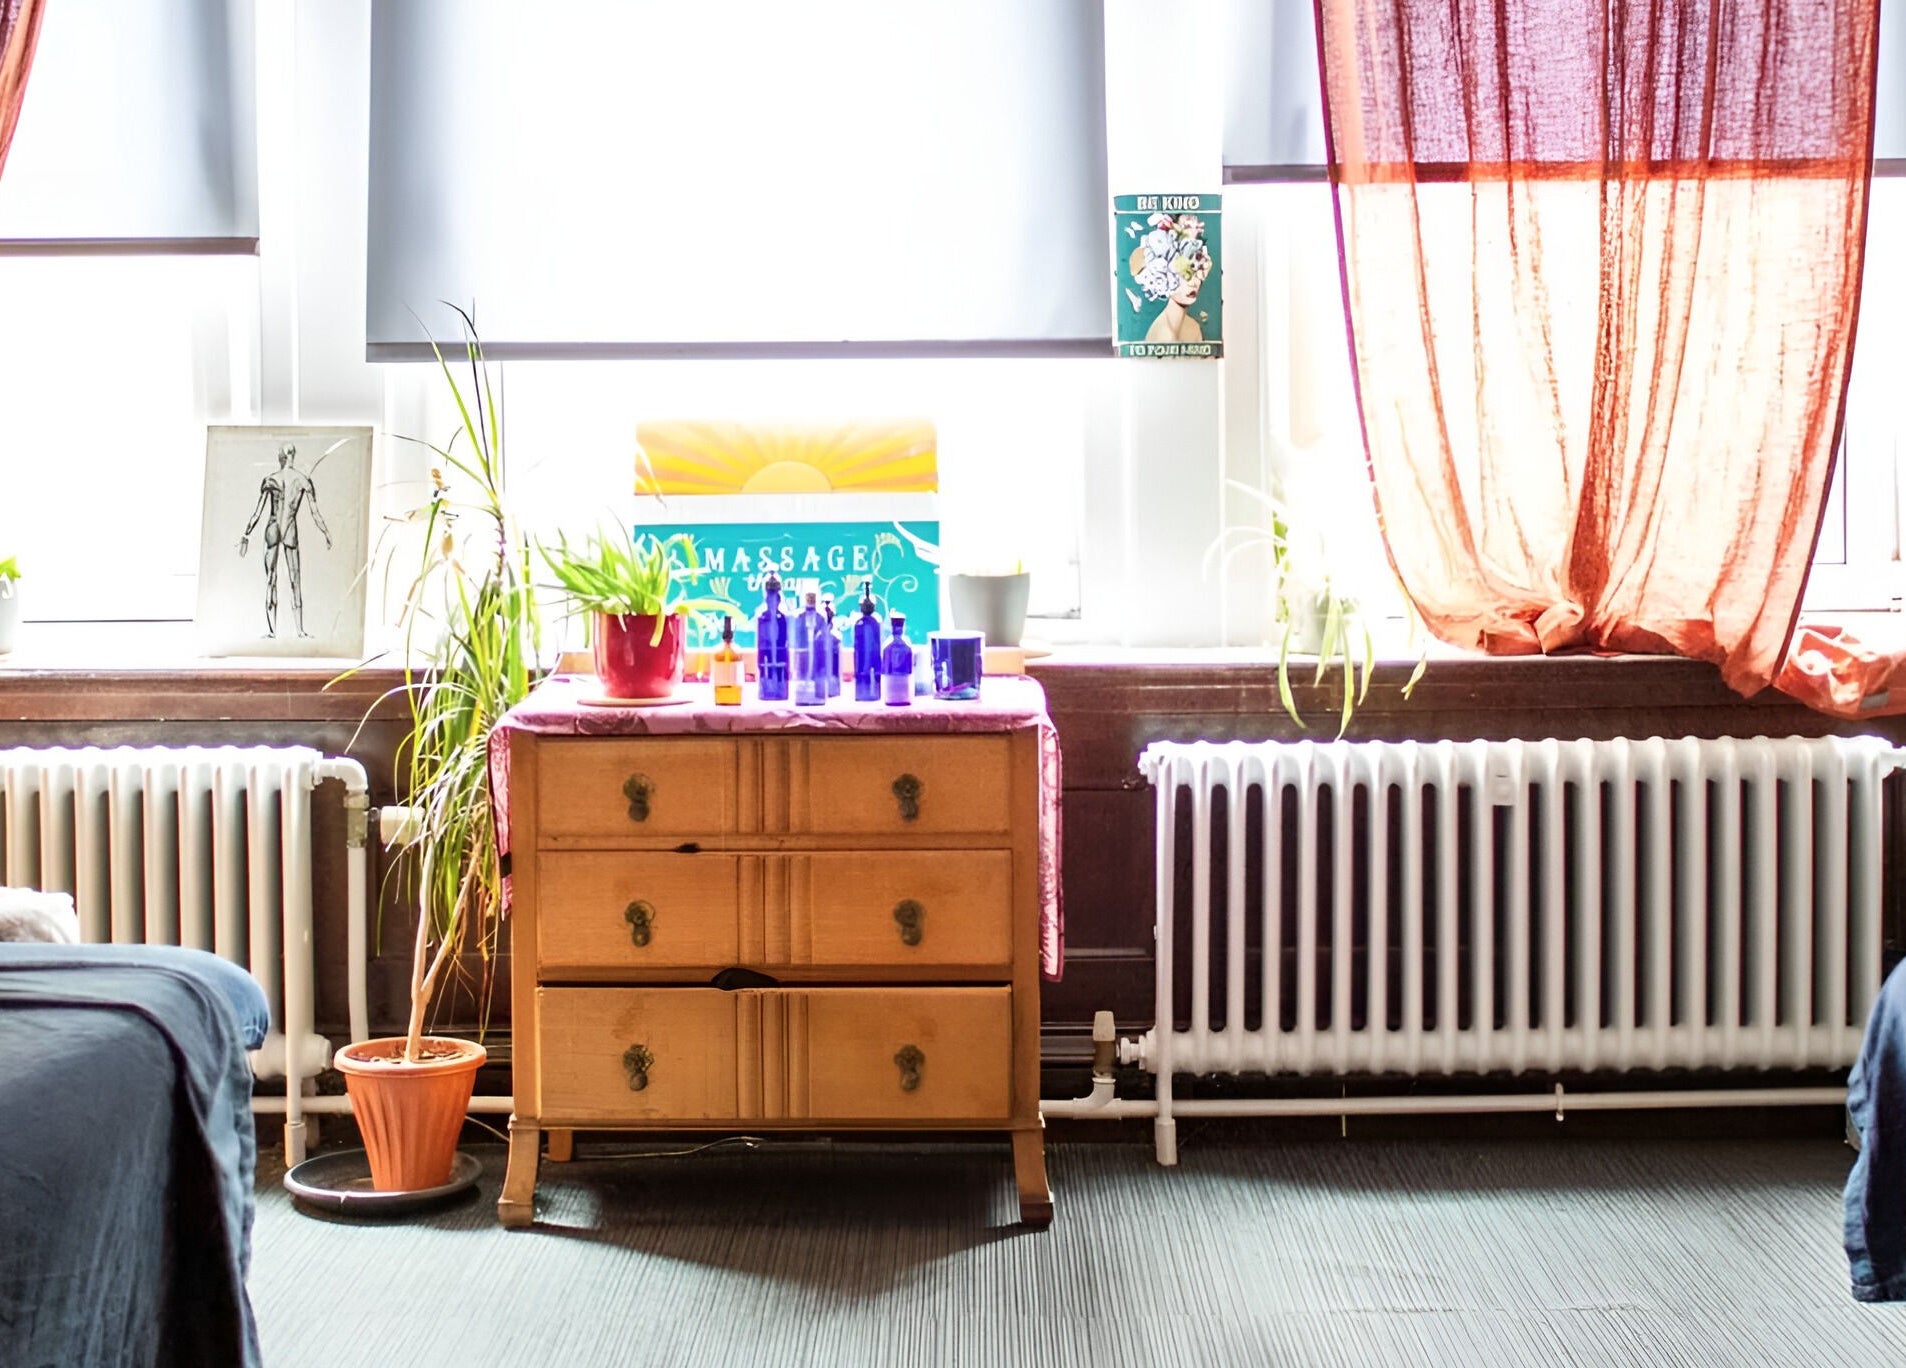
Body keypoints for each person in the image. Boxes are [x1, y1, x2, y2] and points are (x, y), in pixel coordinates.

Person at [238, 442, 332, 638]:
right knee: (295, 580)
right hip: (290, 530)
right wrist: (326, 532)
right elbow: (316, 514)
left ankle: (273, 631)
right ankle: (299, 630)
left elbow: (257, 514)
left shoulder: (270, 480)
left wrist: (246, 534)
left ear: (280, 456)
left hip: (272, 529)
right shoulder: (303, 481)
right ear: (293, 456)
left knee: (271, 579)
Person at [1130, 211, 1214, 345]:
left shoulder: (1193, 328)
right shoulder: (1163, 336)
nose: (1193, 282)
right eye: (1184, 272)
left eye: (1196, 269)